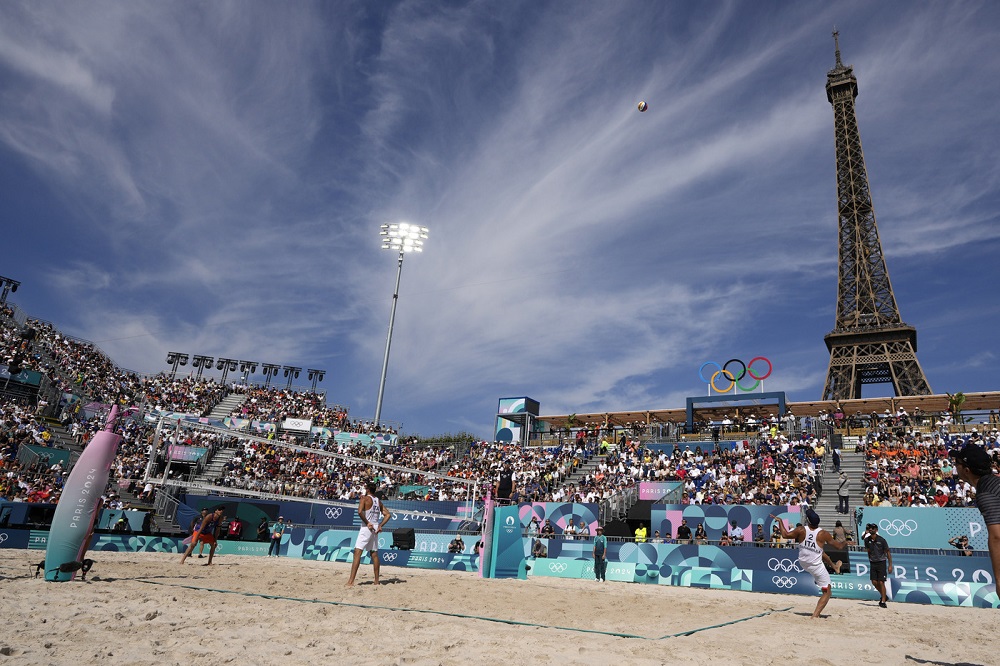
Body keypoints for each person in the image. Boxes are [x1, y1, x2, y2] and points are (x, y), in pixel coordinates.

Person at [770, 509, 849, 618]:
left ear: (807, 520)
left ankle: (834, 566)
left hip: (802, 561)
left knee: (820, 551)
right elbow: (839, 547)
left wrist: (780, 521)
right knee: (827, 591)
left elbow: (785, 534)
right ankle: (815, 615)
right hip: (815, 566)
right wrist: (846, 542)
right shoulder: (823, 533)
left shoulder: (801, 529)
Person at [950, 442, 1000, 585]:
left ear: (966, 470)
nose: (955, 466)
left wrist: (998, 579)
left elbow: (997, 536)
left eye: (957, 463)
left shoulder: (986, 493)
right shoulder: (993, 483)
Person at [346, 481, 391, 586]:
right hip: (375, 527)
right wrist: (380, 525)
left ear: (368, 490)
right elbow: (388, 515)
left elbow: (359, 512)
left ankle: (351, 581)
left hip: (367, 527)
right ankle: (376, 581)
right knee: (374, 554)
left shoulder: (364, 499)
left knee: (357, 553)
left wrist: (367, 522)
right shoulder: (378, 501)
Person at [862, 523, 893, 608]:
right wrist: (870, 559)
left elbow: (888, 552)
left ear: (876, 530)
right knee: (874, 582)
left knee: (881, 582)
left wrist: (890, 565)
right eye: (870, 528)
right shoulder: (867, 540)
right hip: (873, 562)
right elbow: (868, 550)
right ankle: (884, 596)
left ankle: (883, 601)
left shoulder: (881, 540)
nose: (871, 529)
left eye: (873, 528)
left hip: (881, 562)